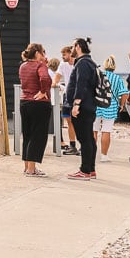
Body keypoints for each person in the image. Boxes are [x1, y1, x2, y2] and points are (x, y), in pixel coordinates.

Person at [66, 37, 100, 180]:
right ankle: (90, 169)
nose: (71, 49)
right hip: (89, 105)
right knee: (89, 138)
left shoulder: (83, 63)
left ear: (78, 47)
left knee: (84, 138)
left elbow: (81, 84)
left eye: (73, 46)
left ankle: (85, 170)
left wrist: (76, 104)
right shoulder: (90, 62)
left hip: (83, 106)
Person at [18, 43, 53, 176]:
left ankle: (27, 166)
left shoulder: (23, 66)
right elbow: (44, 78)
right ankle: (32, 169)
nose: (45, 55)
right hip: (39, 103)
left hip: (24, 101)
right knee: (37, 135)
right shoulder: (40, 65)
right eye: (43, 52)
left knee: (27, 134)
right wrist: (43, 91)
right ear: (38, 53)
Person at [94, 55, 129, 163]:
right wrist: (122, 105)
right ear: (114, 66)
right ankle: (104, 156)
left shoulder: (97, 76)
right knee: (106, 130)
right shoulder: (117, 78)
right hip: (110, 105)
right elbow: (124, 93)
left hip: (96, 103)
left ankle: (91, 154)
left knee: (93, 130)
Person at [54, 45, 78, 156]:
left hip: (78, 95)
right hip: (68, 95)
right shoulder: (63, 65)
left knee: (80, 122)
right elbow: (57, 76)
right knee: (69, 121)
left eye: (64, 54)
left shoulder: (79, 64)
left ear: (70, 53)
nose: (62, 57)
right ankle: (73, 145)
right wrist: (54, 83)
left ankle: (84, 146)